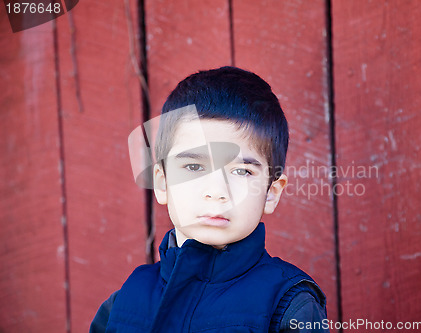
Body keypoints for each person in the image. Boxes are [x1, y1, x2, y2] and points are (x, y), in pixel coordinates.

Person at [90, 67, 328, 332]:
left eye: (241, 171)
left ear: (271, 192)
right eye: (194, 167)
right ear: (162, 182)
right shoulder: (124, 303)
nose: (216, 191)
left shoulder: (288, 304)